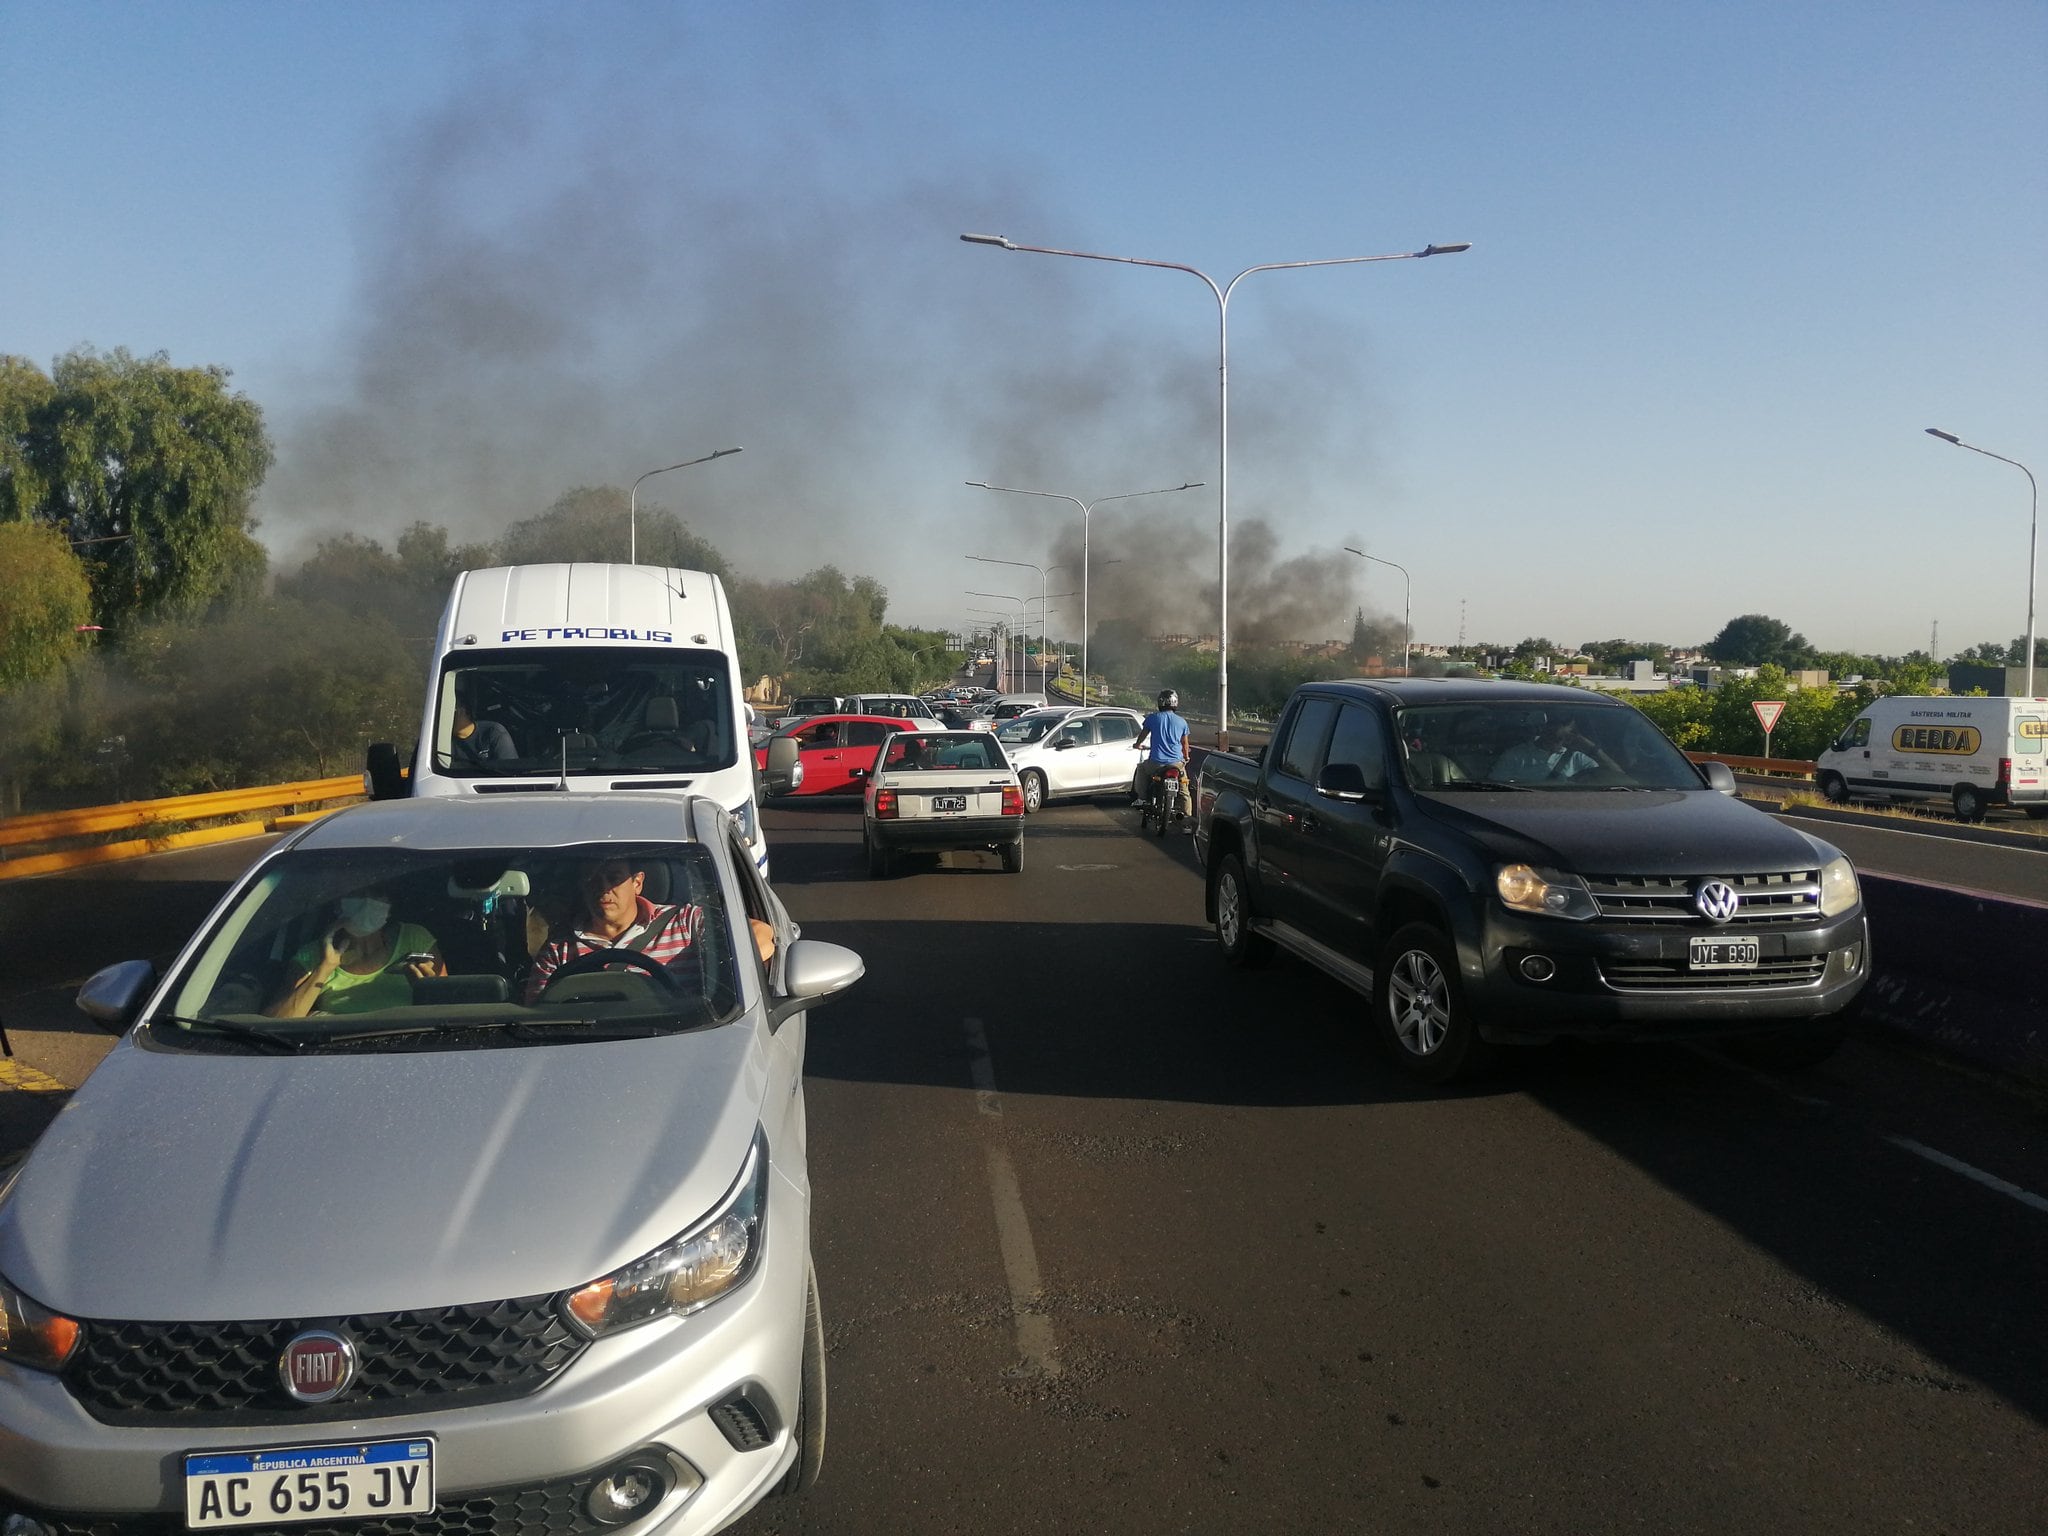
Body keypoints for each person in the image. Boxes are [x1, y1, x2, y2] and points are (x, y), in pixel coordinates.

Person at [525, 857, 708, 1002]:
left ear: (637, 883)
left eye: (613, 878)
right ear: (582, 885)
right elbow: (538, 1018)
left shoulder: (687, 922)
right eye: (592, 879)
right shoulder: (558, 950)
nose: (603, 888)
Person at [266, 888, 444, 1017]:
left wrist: (426, 989)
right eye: (356, 893)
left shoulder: (414, 938)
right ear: (338, 904)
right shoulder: (313, 956)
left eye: (375, 894)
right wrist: (326, 967)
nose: (366, 902)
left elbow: (448, 1008)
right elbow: (276, 1023)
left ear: (389, 908)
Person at [1133, 688, 1195, 827]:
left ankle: (1142, 799)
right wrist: (1186, 757)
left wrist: (1137, 744)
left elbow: (1142, 735)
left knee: (1141, 768)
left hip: (1156, 763)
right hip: (1176, 764)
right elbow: (1185, 743)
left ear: (1160, 703)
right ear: (1175, 703)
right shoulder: (1182, 722)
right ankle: (1187, 819)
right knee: (1184, 790)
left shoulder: (1152, 718)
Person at [1491, 717, 1604, 782]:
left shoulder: (1577, 758)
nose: (1559, 740)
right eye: (1553, 735)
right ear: (1544, 730)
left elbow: (1616, 775)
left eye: (1566, 737)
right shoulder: (1516, 755)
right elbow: (1496, 785)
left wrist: (1586, 743)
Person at [451, 703, 517, 765]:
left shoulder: (494, 732)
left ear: (462, 711)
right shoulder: (444, 741)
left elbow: (509, 771)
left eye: (450, 711)